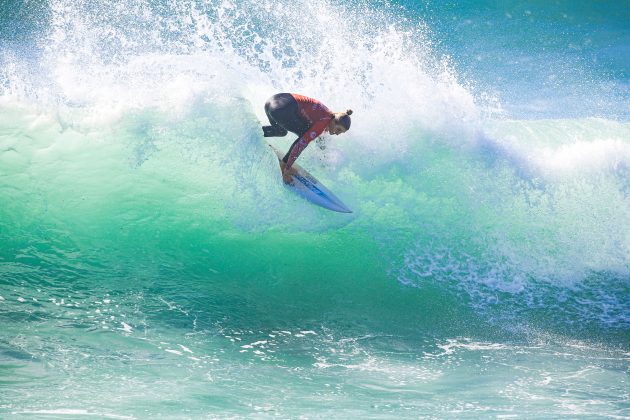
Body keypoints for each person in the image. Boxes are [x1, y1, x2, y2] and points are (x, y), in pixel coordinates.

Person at [262, 93, 352, 183]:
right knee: (304, 134)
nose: (338, 134)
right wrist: (288, 167)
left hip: (271, 103)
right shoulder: (324, 121)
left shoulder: (327, 115)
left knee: (281, 132)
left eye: (341, 132)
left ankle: (256, 130)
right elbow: (300, 144)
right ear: (334, 122)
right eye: (339, 129)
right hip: (281, 110)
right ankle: (284, 167)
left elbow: (320, 139)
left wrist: (324, 160)